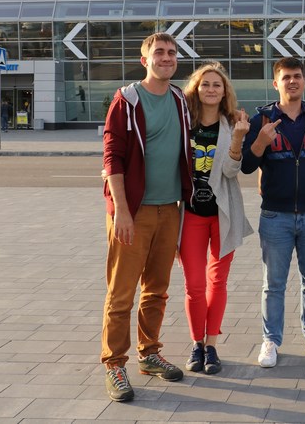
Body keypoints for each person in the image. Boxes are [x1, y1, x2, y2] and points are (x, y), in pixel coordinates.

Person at [101, 32, 193, 402]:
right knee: (121, 292)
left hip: (170, 209)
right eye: (159, 53)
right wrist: (121, 211)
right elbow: (112, 157)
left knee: (156, 290)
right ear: (145, 60)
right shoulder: (127, 99)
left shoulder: (179, 100)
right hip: (133, 213)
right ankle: (114, 363)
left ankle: (149, 353)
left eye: (172, 53)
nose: (166, 58)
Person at [240, 57, 305, 368]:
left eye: (297, 76)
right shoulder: (262, 120)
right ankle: (271, 340)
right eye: (286, 77)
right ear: (276, 83)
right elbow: (246, 166)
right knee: (273, 284)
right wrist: (260, 142)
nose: (292, 81)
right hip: (275, 216)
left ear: (304, 81)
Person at [180, 62, 253, 374]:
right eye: (205, 84)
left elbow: (231, 172)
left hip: (223, 213)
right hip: (190, 214)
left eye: (217, 85)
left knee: (217, 281)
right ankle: (196, 343)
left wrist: (237, 139)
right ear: (196, 89)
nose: (211, 89)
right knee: (194, 285)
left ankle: (211, 345)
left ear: (225, 92)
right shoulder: (184, 122)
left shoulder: (232, 124)